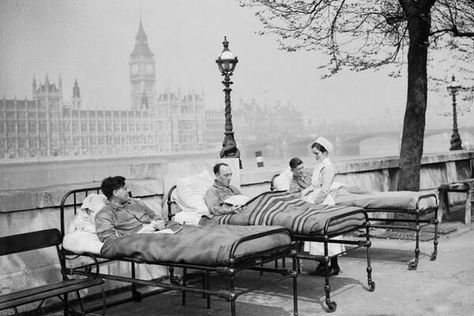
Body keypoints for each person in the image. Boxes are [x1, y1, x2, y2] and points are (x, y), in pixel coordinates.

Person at [300, 137, 344, 277]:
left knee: (328, 233)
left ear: (325, 152)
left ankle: (334, 265)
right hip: (316, 198)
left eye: (317, 153)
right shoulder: (318, 165)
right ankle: (322, 263)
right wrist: (305, 191)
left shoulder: (328, 167)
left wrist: (315, 203)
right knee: (317, 234)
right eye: (314, 153)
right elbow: (315, 185)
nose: (315, 156)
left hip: (323, 202)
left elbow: (325, 189)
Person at [95, 176, 166, 243]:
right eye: (125, 189)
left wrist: (161, 222)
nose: (128, 190)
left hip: (159, 233)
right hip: (140, 241)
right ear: (116, 193)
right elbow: (111, 242)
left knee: (175, 225)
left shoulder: (136, 202)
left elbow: (154, 216)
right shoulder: (104, 215)